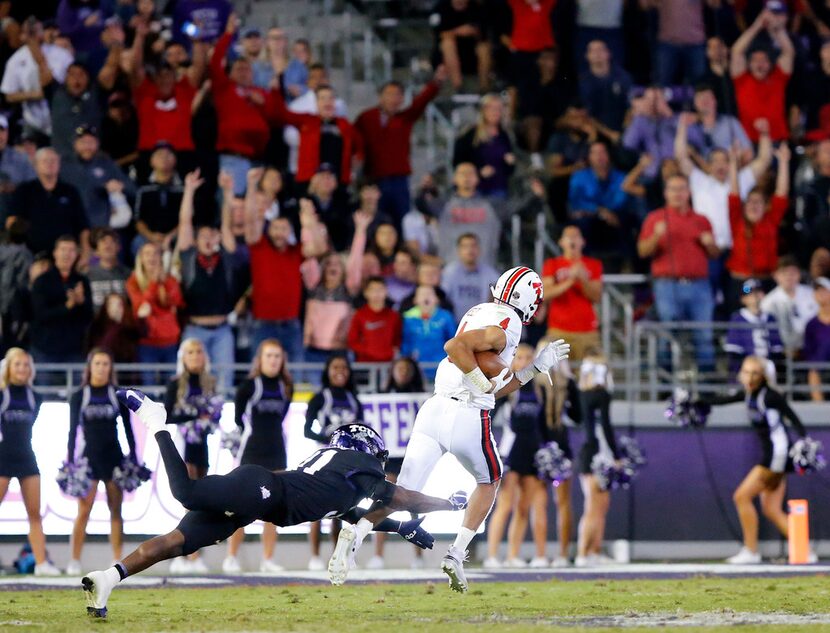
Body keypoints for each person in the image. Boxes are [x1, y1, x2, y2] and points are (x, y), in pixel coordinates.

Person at [82, 388, 466, 617]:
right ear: (367, 451)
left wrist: (400, 528)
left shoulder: (338, 480)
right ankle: (156, 420)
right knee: (185, 491)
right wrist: (448, 504)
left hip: (256, 500)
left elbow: (357, 514)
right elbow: (402, 496)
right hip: (261, 492)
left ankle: (108, 578)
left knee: (175, 543)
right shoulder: (359, 464)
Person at [329, 267, 570, 592]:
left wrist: (534, 368)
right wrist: (482, 381)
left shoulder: (478, 311)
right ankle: (456, 553)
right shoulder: (507, 322)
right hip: (466, 415)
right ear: (526, 299)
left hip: (434, 409)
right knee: (490, 481)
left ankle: (356, 532)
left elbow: (491, 383)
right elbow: (455, 348)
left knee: (403, 492)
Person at [698, 356, 811, 564]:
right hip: (774, 456)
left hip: (776, 457)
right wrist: (698, 401)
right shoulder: (750, 394)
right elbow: (723, 400)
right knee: (771, 509)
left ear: (764, 376)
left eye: (755, 373)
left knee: (741, 496)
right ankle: (803, 550)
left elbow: (794, 419)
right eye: (746, 372)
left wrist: (805, 443)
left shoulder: (770, 396)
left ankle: (751, 550)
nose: (749, 377)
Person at [222, 339, 294, 574]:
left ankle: (268, 559)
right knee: (242, 504)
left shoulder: (286, 386)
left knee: (275, 505)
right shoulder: (249, 386)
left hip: (277, 450)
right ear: (260, 360)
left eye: (277, 356)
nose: (273, 361)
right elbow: (238, 418)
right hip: (251, 449)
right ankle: (230, 557)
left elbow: (282, 415)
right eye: (269, 356)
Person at [65, 349, 136, 576]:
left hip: (114, 458)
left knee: (116, 509)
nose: (102, 368)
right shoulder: (80, 395)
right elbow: (72, 430)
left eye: (106, 364)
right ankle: (74, 560)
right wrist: (70, 461)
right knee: (84, 511)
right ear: (90, 367)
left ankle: (117, 560)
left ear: (110, 368)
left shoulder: (117, 394)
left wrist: (133, 456)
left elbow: (128, 428)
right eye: (97, 364)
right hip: (89, 459)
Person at [637, 174, 719, 371]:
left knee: (704, 335)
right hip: (667, 285)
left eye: (681, 189)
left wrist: (710, 244)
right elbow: (642, 251)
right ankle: (665, 387)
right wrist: (656, 236)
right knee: (667, 333)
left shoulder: (702, 220)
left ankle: (707, 386)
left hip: (699, 286)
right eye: (673, 189)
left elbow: (714, 254)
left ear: (689, 192)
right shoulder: (655, 218)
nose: (677, 194)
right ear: (666, 193)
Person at [483, 344, 553, 569]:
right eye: (519, 357)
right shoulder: (508, 388)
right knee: (505, 506)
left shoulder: (540, 389)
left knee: (524, 507)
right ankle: (492, 555)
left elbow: (542, 426)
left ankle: (513, 555)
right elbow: (490, 416)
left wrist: (547, 451)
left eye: (528, 357)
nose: (524, 362)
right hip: (511, 452)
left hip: (532, 452)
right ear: (513, 361)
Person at [354, 69, 445, 224]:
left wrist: (436, 83)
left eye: (398, 95)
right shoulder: (366, 117)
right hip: (374, 179)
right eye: (389, 94)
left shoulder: (405, 119)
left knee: (403, 220)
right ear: (380, 96)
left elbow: (421, 101)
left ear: (403, 99)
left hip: (399, 181)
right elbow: (354, 142)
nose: (393, 99)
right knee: (376, 220)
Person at [176, 169, 239, 391]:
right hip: (195, 329)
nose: (209, 239)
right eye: (203, 236)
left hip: (222, 330)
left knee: (223, 383)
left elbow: (227, 224)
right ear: (196, 240)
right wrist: (189, 191)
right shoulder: (189, 257)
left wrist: (227, 192)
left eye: (213, 236)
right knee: (189, 381)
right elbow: (184, 222)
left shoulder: (226, 258)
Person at [163, 338, 220, 574]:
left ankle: (195, 555)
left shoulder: (211, 383)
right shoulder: (175, 384)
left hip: (202, 445)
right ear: (183, 357)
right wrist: (194, 417)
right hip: (182, 443)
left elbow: (215, 414)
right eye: (190, 352)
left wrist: (207, 420)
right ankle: (183, 553)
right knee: (187, 500)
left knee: (202, 500)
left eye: (198, 352)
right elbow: (167, 415)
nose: (195, 356)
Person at [0, 348, 60, 575]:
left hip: (27, 456)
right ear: (8, 367)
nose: (22, 369)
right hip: (3, 456)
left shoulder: (35, 396)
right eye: (17, 364)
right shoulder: (2, 394)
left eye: (26, 365)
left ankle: (41, 563)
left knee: (35, 514)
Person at [304, 354, 364, 571]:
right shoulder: (319, 398)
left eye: (344, 368)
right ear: (327, 370)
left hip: (348, 463)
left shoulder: (353, 399)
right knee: (317, 509)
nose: (340, 371)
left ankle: (341, 555)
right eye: (335, 367)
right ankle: (315, 556)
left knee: (344, 509)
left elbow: (362, 429)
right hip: (324, 460)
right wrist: (329, 437)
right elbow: (306, 431)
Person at [6, 148, 90, 266]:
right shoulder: (24, 190)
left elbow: (83, 227)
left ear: (59, 164)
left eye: (53, 160)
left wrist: (86, 254)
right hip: (32, 257)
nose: (50, 164)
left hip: (67, 257)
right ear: (35, 165)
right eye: (45, 161)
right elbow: (12, 222)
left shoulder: (70, 191)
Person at [575, 348, 618, 568]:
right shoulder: (599, 395)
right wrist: (617, 455)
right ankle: (584, 552)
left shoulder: (583, 395)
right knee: (594, 506)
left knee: (600, 505)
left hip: (595, 452)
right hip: (595, 454)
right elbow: (606, 427)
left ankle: (593, 551)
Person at [730, 8, 794, 143]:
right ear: (749, 64)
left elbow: (788, 52)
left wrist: (778, 28)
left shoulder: (778, 78)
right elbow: (736, 51)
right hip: (748, 141)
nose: (760, 64)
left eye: (764, 61)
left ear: (770, 64)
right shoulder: (742, 79)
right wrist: (757, 25)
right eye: (755, 60)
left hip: (778, 140)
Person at [125, 242, 184, 385]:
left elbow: (176, 301)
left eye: (155, 253)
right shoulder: (133, 282)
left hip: (170, 340)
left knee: (171, 386)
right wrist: (153, 283)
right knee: (148, 387)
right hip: (147, 342)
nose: (151, 257)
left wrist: (164, 282)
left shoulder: (170, 280)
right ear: (141, 258)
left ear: (161, 257)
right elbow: (142, 307)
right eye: (147, 254)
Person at [29, 235, 93, 365]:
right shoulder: (42, 281)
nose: (67, 254)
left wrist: (81, 303)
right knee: (45, 386)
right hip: (45, 348)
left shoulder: (82, 281)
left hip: (74, 349)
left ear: (77, 254)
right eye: (63, 250)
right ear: (55, 253)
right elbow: (40, 314)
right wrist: (67, 307)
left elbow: (88, 317)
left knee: (75, 385)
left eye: (71, 250)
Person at [542, 225, 602, 362]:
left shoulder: (593, 264)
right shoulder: (552, 264)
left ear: (583, 242)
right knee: (557, 376)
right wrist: (571, 280)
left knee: (590, 376)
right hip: (559, 330)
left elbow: (597, 296)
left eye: (576, 236)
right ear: (561, 242)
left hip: (588, 331)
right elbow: (545, 294)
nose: (572, 239)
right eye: (568, 236)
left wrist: (583, 280)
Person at [567, 141, 628, 270]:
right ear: (589, 157)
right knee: (581, 224)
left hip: (614, 218)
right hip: (590, 218)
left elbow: (621, 199)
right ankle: (584, 266)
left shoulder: (620, 177)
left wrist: (608, 212)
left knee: (628, 221)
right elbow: (576, 201)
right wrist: (598, 210)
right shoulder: (579, 177)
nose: (599, 156)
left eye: (602, 152)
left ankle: (621, 269)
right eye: (595, 153)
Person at [60, 125, 134, 231]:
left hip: (100, 226)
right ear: (75, 144)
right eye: (83, 142)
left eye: (91, 142)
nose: (87, 147)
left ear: (97, 144)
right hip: (71, 225)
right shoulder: (64, 165)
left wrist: (118, 186)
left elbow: (132, 188)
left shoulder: (106, 164)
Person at [437, 163, 502, 267]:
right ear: (454, 179)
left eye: (471, 174)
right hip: (450, 271)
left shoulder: (492, 205)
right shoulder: (442, 204)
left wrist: (536, 194)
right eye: (462, 173)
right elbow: (421, 203)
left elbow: (519, 206)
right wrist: (425, 189)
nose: (467, 177)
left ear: (477, 178)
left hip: (485, 271)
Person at [453, 94, 515, 199]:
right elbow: (458, 162)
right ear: (483, 110)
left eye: (499, 108)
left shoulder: (504, 136)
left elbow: (509, 169)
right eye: (492, 108)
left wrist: (510, 163)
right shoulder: (470, 134)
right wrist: (478, 172)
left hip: (499, 189)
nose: (496, 112)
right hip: (475, 190)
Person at [132, 143, 184, 255]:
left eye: (168, 155)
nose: (164, 158)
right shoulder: (143, 189)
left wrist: (170, 236)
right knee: (137, 243)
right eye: (159, 155)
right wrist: (151, 236)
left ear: (175, 160)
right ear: (152, 161)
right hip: (149, 236)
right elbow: (138, 219)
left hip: (177, 235)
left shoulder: (183, 189)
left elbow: (189, 219)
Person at [724, 280, 784, 376]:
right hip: (746, 368)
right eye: (750, 294)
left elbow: (777, 349)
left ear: (763, 295)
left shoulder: (770, 318)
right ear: (743, 299)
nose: (754, 296)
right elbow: (733, 351)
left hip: (768, 368)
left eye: (758, 292)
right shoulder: (737, 319)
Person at [760, 257, 819, 355]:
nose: (789, 277)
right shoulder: (768, 302)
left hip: (812, 346)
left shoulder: (812, 295)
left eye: (792, 273)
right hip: (783, 351)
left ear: (799, 274)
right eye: (784, 273)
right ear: (775, 276)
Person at [400, 285, 457, 380]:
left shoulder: (446, 316)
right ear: (415, 300)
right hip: (416, 368)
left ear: (437, 299)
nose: (426, 296)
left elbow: (453, 340)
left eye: (430, 294)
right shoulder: (408, 318)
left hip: (441, 367)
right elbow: (405, 343)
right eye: (422, 294)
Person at [441, 233, 499, 323]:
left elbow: (497, 296)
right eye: (465, 246)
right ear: (458, 251)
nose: (470, 250)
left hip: (481, 325)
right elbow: (442, 297)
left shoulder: (490, 273)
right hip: (455, 324)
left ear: (479, 250)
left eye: (473, 246)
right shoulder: (449, 272)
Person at [434, 0, 491, 91]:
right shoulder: (441, 8)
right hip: (447, 56)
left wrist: (473, 31)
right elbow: (439, 34)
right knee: (447, 44)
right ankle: (459, 87)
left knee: (484, 48)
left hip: (472, 52)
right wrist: (458, 32)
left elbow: (482, 32)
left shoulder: (476, 7)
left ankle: (484, 88)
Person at [578, 40, 631, 133]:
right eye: (593, 51)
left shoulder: (622, 77)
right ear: (587, 56)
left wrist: (625, 130)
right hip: (596, 131)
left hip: (623, 130)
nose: (597, 54)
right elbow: (586, 114)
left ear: (608, 53)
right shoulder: (583, 82)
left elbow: (631, 107)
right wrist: (610, 134)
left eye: (601, 50)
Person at [347, 277, 402, 363]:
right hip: (365, 363)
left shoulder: (393, 316)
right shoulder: (359, 315)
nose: (377, 293)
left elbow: (398, 338)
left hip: (388, 363)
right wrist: (368, 351)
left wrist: (391, 351)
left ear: (386, 291)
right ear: (366, 293)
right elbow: (352, 341)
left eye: (380, 289)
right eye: (373, 290)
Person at [87, 293, 141, 363]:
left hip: (126, 368)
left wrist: (140, 319)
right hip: (104, 366)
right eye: (113, 304)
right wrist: (117, 325)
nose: (117, 308)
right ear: (106, 307)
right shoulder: (97, 326)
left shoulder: (129, 326)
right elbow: (103, 348)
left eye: (120, 304)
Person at [86, 229, 130, 312]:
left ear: (118, 247)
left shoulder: (129, 275)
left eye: (112, 241)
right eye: (103, 241)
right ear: (96, 250)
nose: (108, 245)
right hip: (95, 323)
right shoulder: (87, 275)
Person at [805, 277, 830, 401]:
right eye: (817, 291)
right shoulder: (811, 325)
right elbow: (809, 353)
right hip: (821, 369)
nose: (820, 294)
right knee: (813, 374)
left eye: (824, 290)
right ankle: (820, 410)